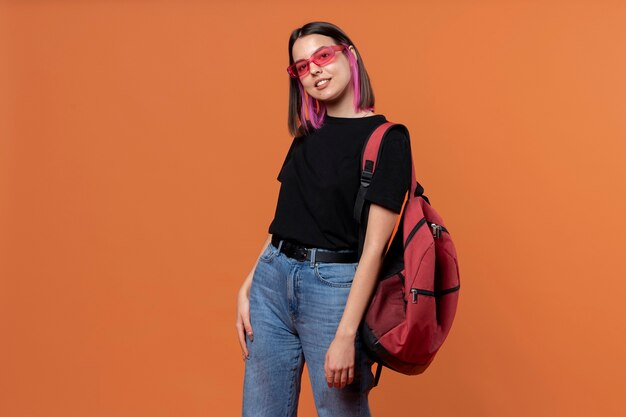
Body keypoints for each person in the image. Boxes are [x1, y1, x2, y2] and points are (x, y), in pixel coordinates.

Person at [236, 21, 412, 417]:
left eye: (322, 56)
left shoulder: (388, 140)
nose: (313, 70)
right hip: (271, 282)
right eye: (301, 66)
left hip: (333, 293)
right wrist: (248, 286)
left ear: (349, 54)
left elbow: (373, 252)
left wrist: (346, 334)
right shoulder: (306, 134)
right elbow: (284, 220)